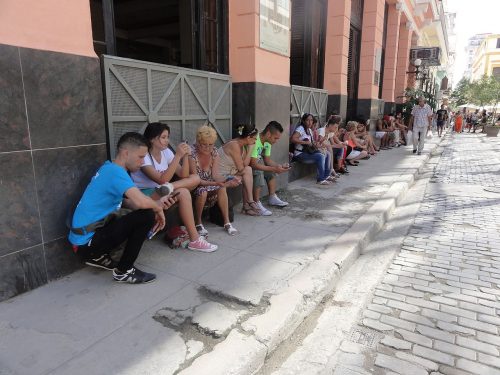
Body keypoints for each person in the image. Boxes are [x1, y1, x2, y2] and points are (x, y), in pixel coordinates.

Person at [68, 132, 174, 284]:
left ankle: (98, 256)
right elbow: (142, 203)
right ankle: (124, 271)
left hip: (85, 238)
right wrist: (157, 209)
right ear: (126, 153)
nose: (143, 161)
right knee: (147, 216)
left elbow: (133, 203)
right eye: (140, 157)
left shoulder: (109, 167)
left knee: (142, 212)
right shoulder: (116, 172)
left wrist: (156, 201)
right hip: (86, 242)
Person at [131, 122, 218, 252]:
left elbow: (184, 174)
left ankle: (194, 239)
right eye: (163, 137)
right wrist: (178, 155)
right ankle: (195, 240)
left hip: (162, 190)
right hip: (144, 194)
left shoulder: (165, 152)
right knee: (182, 191)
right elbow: (162, 179)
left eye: (168, 137)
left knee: (194, 178)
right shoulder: (145, 156)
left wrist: (187, 155)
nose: (167, 141)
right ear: (152, 139)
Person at [189, 125, 239, 236]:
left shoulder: (214, 152)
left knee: (222, 187)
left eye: (210, 144)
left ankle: (227, 222)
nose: (207, 148)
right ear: (198, 142)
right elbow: (196, 180)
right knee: (203, 191)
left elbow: (216, 175)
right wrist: (216, 183)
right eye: (204, 144)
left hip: (210, 184)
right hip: (194, 187)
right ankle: (198, 222)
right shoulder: (191, 153)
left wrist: (229, 178)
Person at [219, 124, 262, 215]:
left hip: (231, 173)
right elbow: (241, 168)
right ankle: (249, 203)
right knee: (247, 173)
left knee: (248, 171)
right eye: (254, 138)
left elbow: (245, 165)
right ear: (248, 137)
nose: (256, 141)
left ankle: (248, 204)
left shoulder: (242, 145)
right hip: (219, 175)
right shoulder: (234, 145)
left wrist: (249, 149)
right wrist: (251, 149)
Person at [250, 121, 290, 215]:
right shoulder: (255, 141)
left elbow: (267, 160)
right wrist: (274, 169)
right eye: (275, 138)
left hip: (254, 164)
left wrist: (278, 166)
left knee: (270, 168)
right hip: (245, 165)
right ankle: (256, 203)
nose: (276, 141)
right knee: (259, 171)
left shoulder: (267, 143)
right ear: (268, 134)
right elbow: (253, 164)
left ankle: (272, 197)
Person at [291, 113, 333, 185]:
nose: (310, 122)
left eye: (311, 120)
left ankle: (326, 176)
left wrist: (319, 145)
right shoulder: (300, 128)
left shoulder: (309, 130)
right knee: (320, 156)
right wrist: (305, 142)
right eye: (307, 120)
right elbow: (293, 139)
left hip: (308, 152)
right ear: (303, 121)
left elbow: (312, 143)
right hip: (300, 154)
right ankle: (321, 179)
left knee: (327, 153)